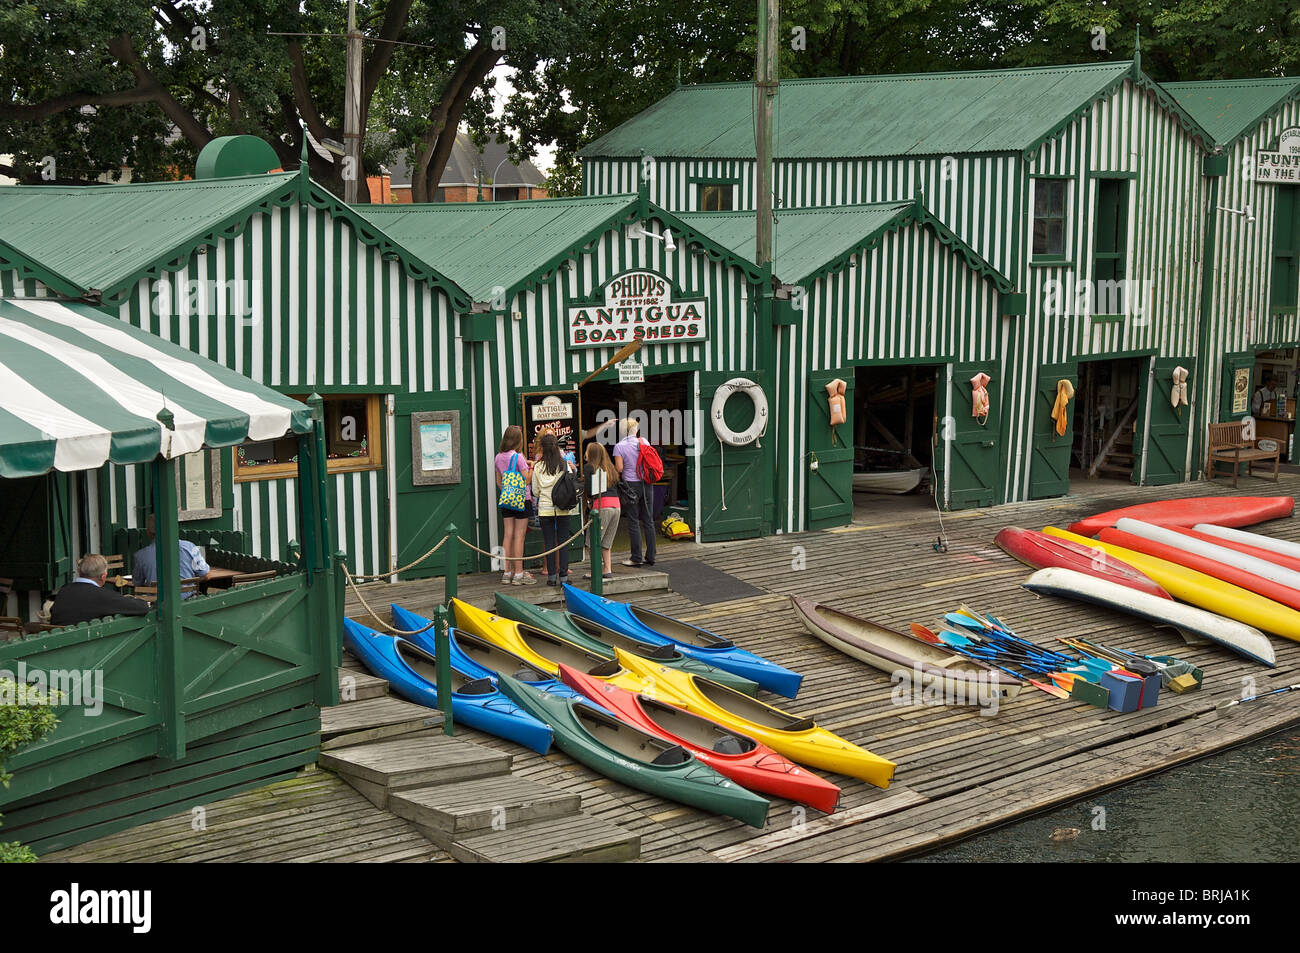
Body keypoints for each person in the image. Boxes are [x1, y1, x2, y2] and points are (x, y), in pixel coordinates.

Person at [50, 554, 149, 627]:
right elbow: (142, 607)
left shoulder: (64, 591)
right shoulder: (102, 596)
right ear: (103, 577)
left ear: (80, 572)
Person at [532, 432, 578, 586]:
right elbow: (571, 483)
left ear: (542, 448)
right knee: (563, 541)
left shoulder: (538, 466)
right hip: (563, 507)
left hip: (545, 508)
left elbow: (535, 491)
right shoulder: (564, 464)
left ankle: (551, 576)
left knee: (549, 542)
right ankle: (564, 576)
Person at [495, 424, 536, 585]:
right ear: (518, 440)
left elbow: (499, 482)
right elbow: (527, 479)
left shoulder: (498, 457)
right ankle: (519, 573)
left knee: (508, 535)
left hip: (506, 500)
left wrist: (508, 491)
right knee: (519, 536)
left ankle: (507, 572)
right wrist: (531, 466)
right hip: (522, 500)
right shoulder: (518, 457)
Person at [132, 514, 210, 598]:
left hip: (159, 604)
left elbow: (137, 583)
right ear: (171, 528)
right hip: (188, 603)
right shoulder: (190, 547)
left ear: (148, 532)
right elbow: (205, 575)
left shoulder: (140, 556)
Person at [613, 417, 656, 567]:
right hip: (647, 484)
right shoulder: (644, 442)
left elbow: (619, 468)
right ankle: (651, 556)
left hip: (630, 486)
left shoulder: (619, 446)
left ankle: (636, 557)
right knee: (648, 520)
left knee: (633, 521)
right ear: (635, 430)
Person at [584, 441, 621, 581]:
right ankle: (607, 569)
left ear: (591, 454)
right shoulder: (610, 467)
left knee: (591, 541)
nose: (585, 453)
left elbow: (588, 490)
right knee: (606, 542)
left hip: (601, 507)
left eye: (587, 451)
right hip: (616, 506)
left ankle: (596, 571)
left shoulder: (589, 468)